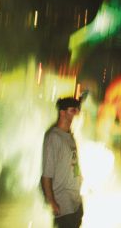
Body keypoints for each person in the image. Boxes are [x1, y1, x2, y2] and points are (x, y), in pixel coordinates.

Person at [41, 97, 83, 228]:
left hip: (76, 200)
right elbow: (47, 174)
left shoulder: (69, 136)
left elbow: (74, 162)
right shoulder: (53, 137)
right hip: (63, 202)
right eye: (72, 110)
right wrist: (51, 201)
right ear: (62, 112)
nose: (76, 114)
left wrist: (80, 178)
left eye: (77, 110)